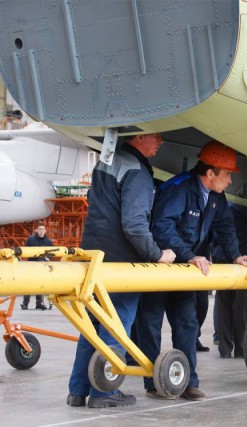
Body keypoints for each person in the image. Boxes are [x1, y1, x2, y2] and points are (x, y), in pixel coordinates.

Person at [137, 139, 247, 401]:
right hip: (160, 267)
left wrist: (235, 255)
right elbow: (162, 228)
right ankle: (152, 383)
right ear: (210, 173)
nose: (230, 181)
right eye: (227, 175)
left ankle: (188, 381)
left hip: (186, 270)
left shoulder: (216, 196)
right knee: (150, 324)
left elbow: (225, 227)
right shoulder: (178, 188)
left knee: (187, 324)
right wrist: (190, 255)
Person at [67, 133, 176, 409]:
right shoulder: (137, 172)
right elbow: (135, 225)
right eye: (156, 137)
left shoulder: (106, 163)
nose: (161, 142)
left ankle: (77, 391)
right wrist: (157, 255)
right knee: (115, 328)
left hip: (93, 257)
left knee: (90, 328)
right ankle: (104, 393)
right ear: (139, 137)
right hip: (120, 263)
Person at [212, 205, 247, 358]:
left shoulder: (224, 205)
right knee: (243, 305)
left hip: (221, 257)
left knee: (222, 304)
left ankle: (224, 348)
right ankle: (241, 349)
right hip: (244, 261)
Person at [21, 224, 53, 310]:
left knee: (40, 284)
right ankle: (25, 304)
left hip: (42, 265)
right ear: (37, 230)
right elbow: (25, 250)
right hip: (31, 265)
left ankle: (39, 304)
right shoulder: (31, 239)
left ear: (45, 231)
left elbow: (53, 252)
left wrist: (48, 258)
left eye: (43, 229)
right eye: (40, 229)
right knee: (28, 284)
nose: (41, 231)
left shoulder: (48, 242)